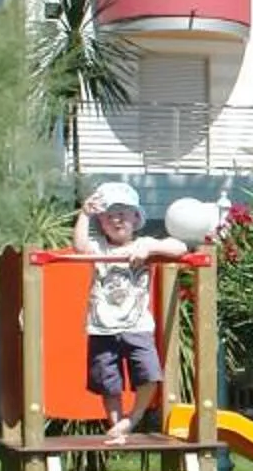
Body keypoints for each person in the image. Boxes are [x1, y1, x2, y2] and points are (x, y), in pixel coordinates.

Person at [75, 181, 188, 441]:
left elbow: (180, 248)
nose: (116, 220)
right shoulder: (99, 247)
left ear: (136, 218)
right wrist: (84, 215)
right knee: (109, 384)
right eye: (109, 215)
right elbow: (80, 247)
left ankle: (132, 419)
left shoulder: (144, 243)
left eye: (123, 214)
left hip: (137, 326)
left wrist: (150, 248)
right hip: (102, 327)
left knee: (149, 375)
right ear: (101, 222)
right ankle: (116, 427)